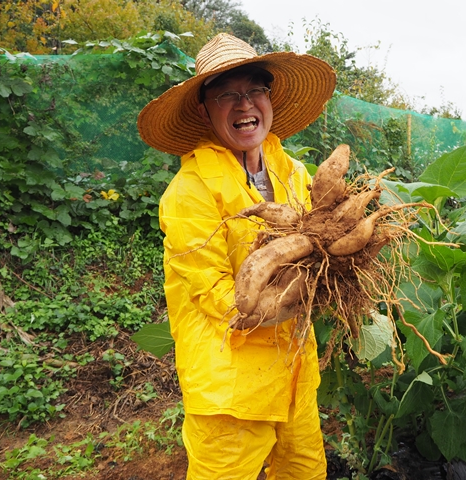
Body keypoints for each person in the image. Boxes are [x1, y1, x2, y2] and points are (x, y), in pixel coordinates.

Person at [137, 33, 336, 479]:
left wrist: (341, 263)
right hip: (230, 388)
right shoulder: (190, 192)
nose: (244, 104)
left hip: (292, 373)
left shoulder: (293, 173)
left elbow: (320, 246)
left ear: (269, 99)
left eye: (253, 90)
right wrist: (303, 294)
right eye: (226, 94)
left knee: (305, 472)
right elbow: (222, 299)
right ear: (204, 110)